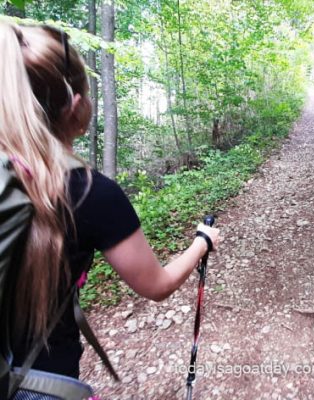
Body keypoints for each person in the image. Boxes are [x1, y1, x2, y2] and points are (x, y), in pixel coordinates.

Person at [0, 21, 220, 379]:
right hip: (40, 383)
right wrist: (202, 243)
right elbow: (157, 285)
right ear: (75, 105)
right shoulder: (91, 193)